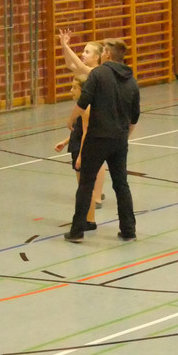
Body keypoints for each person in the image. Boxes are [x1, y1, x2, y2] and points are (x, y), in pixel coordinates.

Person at [64, 38, 140, 243]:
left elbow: (84, 100)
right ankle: (128, 230)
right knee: (121, 184)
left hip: (97, 137)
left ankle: (77, 231)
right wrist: (124, 135)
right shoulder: (131, 80)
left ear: (106, 53)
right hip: (119, 139)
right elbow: (134, 117)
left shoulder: (98, 74)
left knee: (86, 183)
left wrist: (71, 119)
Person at [58, 28, 107, 210]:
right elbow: (70, 63)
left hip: (96, 116)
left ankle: (97, 195)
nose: (83, 54)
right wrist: (64, 46)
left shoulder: (96, 71)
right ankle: (92, 192)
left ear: (97, 57)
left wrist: (66, 46)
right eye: (83, 51)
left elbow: (78, 65)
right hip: (86, 114)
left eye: (87, 52)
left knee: (97, 159)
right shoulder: (86, 71)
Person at [54, 75, 101, 229]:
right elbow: (78, 131)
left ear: (83, 90)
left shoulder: (86, 109)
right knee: (82, 186)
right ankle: (87, 218)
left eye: (75, 87)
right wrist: (65, 142)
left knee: (85, 187)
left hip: (83, 150)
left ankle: (90, 220)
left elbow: (86, 133)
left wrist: (81, 155)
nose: (71, 90)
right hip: (76, 147)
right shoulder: (82, 108)